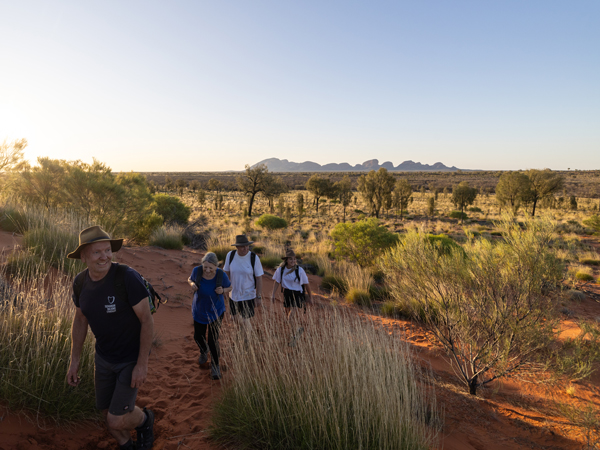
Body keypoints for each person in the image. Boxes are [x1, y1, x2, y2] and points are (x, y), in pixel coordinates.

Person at [66, 226, 155, 450]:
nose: (104, 256)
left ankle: (145, 420)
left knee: (116, 418)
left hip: (130, 357)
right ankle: (128, 446)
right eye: (97, 252)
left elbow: (147, 320)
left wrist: (142, 364)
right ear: (84, 256)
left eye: (107, 250)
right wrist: (74, 360)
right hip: (103, 358)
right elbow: (80, 319)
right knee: (107, 414)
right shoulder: (79, 283)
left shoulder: (126, 277)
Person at [187, 252, 232, 380]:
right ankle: (203, 350)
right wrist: (192, 284)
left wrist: (223, 291)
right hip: (199, 310)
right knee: (198, 336)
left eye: (210, 268)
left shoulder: (220, 275)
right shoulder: (197, 271)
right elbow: (190, 279)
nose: (207, 270)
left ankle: (215, 366)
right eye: (205, 267)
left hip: (216, 312)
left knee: (213, 341)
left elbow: (230, 287)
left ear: (216, 267)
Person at [223, 235, 264, 339]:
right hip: (233, 294)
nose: (245, 248)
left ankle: (247, 341)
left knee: (246, 319)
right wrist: (225, 289)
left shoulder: (253, 257)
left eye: (247, 246)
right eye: (242, 246)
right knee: (234, 317)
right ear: (237, 247)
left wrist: (258, 296)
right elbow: (226, 272)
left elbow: (259, 278)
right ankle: (247, 332)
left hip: (248, 294)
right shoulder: (230, 255)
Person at [270, 249, 313, 346]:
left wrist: (310, 297)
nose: (293, 261)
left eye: (294, 259)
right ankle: (296, 330)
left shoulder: (299, 270)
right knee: (288, 315)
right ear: (286, 260)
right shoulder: (281, 270)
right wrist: (273, 294)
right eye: (290, 259)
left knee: (290, 318)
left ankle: (294, 337)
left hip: (297, 294)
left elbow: (306, 284)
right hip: (287, 293)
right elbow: (277, 282)